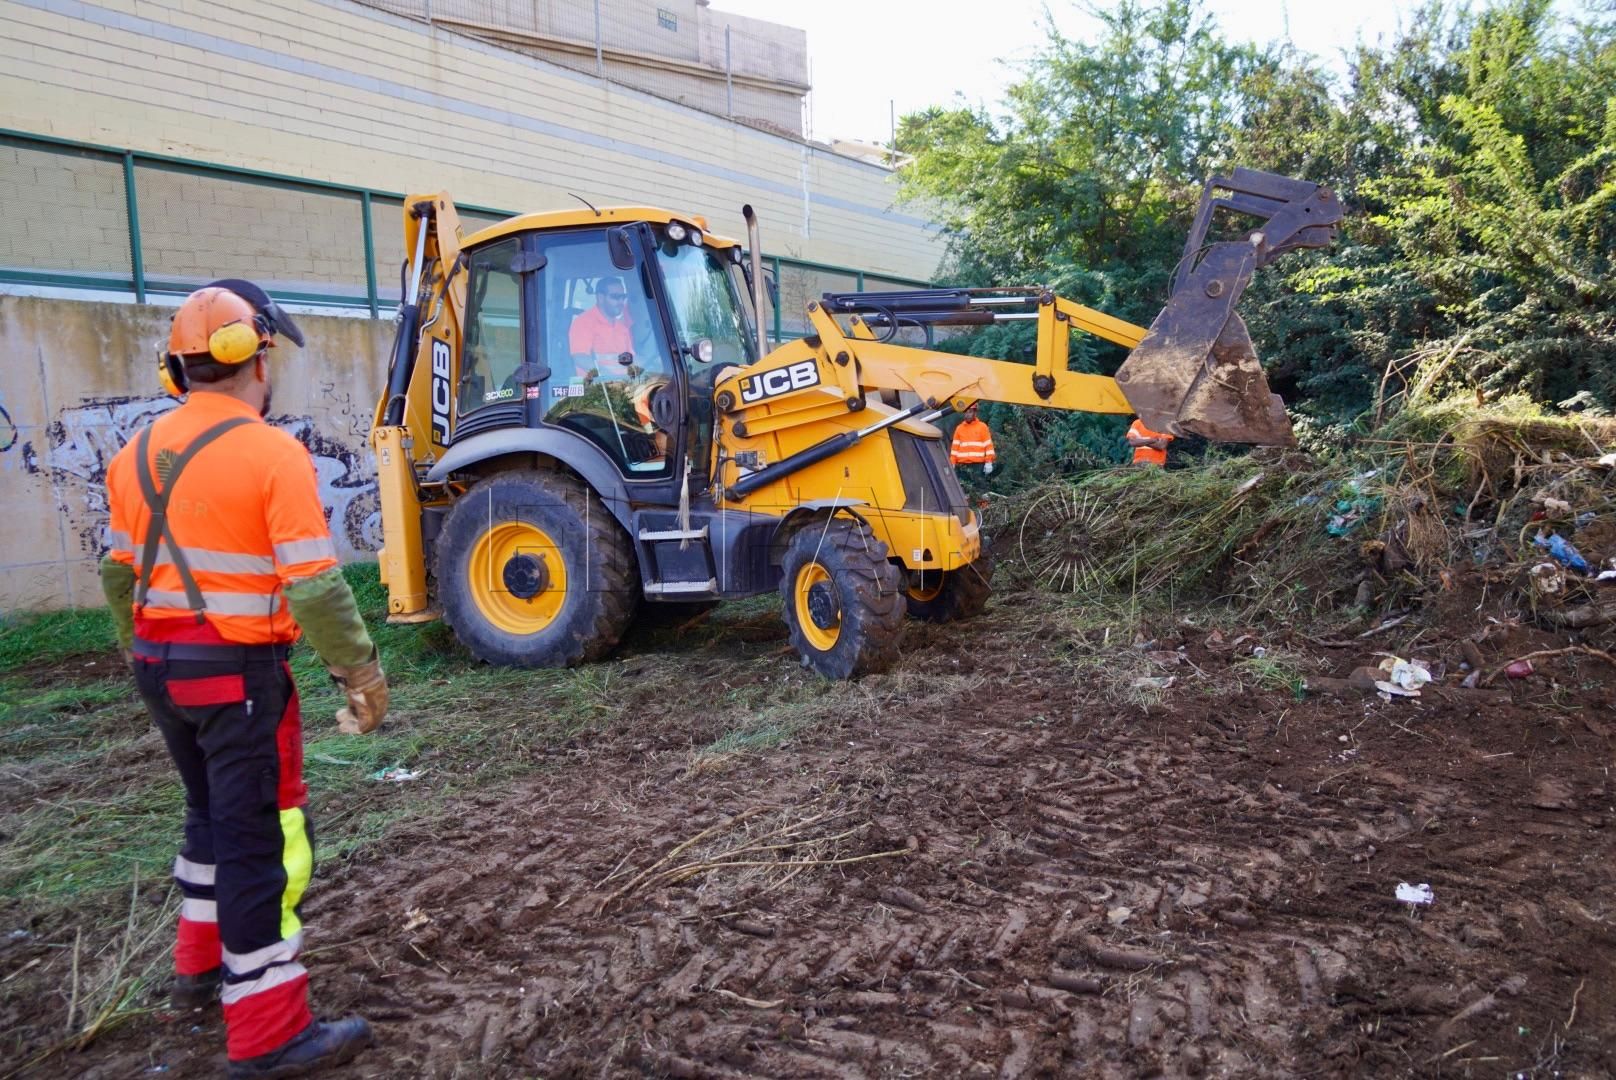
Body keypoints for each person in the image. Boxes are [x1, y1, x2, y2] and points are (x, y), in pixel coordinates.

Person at [99, 281, 387, 1078]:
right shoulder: (272, 452)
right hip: (236, 674)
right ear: (254, 356)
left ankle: (196, 968)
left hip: (162, 668)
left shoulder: (133, 453)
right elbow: (316, 587)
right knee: (256, 838)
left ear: (178, 369)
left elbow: (119, 576)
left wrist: (141, 652)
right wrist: (359, 672)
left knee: (207, 821)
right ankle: (266, 1031)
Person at [567, 275, 641, 383]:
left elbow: (631, 359)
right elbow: (580, 358)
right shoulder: (583, 322)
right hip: (596, 391)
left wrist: (654, 366)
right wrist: (607, 375)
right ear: (600, 297)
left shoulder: (622, 327)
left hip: (622, 389)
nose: (621, 302)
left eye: (623, 297)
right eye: (615, 297)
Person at [949, 402, 997, 478]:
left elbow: (989, 446)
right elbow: (954, 449)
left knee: (978, 488)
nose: (967, 415)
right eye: (966, 412)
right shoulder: (959, 428)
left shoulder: (982, 427)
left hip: (977, 466)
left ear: (975, 413)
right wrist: (952, 462)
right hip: (962, 466)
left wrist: (989, 462)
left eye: (970, 412)